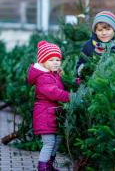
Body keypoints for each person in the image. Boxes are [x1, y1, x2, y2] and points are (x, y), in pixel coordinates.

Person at [27, 40, 70, 171]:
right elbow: (54, 93)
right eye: (51, 60)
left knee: (57, 141)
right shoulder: (43, 78)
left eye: (58, 59)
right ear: (43, 62)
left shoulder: (54, 74)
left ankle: (49, 164)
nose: (56, 62)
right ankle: (43, 167)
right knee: (49, 143)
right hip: (45, 114)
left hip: (53, 114)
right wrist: (70, 97)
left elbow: (62, 86)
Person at [76, 10, 115, 83]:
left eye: (108, 29)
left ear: (114, 30)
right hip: (95, 84)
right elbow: (80, 64)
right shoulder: (89, 45)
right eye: (100, 30)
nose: (104, 33)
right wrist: (83, 71)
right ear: (95, 31)